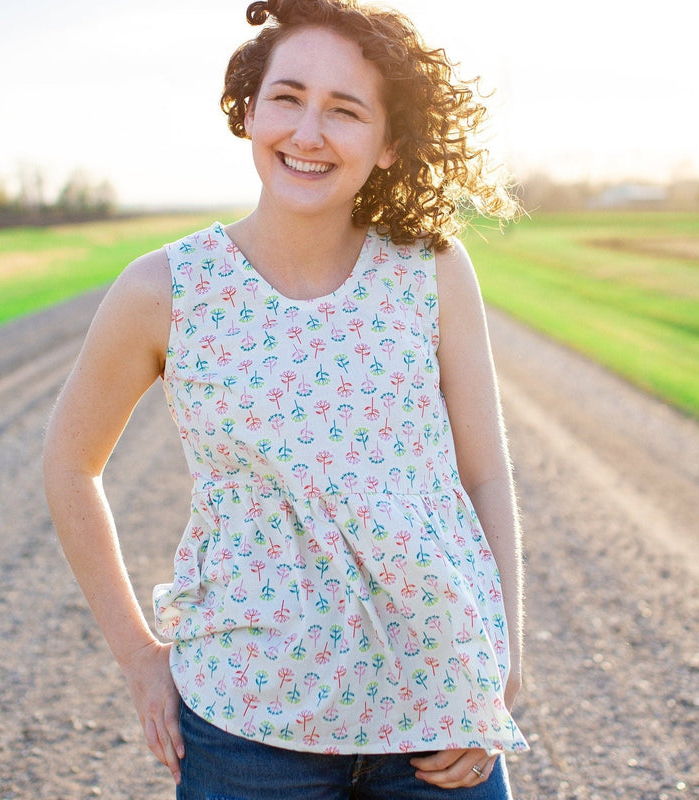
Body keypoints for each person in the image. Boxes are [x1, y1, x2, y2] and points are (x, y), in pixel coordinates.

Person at [43, 0, 528, 797]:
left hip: (439, 712)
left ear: (389, 141)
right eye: (288, 98)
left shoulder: (431, 268)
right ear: (249, 109)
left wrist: (502, 655)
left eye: (345, 111)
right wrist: (138, 656)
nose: (308, 132)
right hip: (246, 730)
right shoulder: (165, 288)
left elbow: (485, 476)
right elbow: (69, 463)